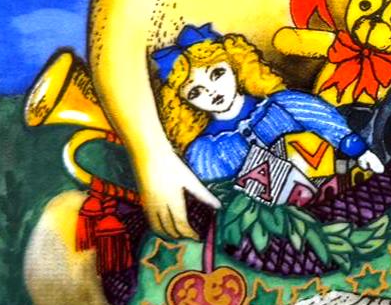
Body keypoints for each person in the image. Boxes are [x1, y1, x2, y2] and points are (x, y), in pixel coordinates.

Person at [155, 26, 375, 193]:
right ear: (184, 103)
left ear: (236, 67)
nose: (212, 91)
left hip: (333, 188)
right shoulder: (205, 150)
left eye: (217, 74)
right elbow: (221, 197)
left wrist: (360, 151)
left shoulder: (283, 104)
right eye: (195, 92)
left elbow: (327, 124)